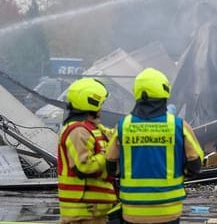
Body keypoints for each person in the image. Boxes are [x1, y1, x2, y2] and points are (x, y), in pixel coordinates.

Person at [106, 68, 203, 224]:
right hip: (168, 210)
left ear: (137, 92)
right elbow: (195, 162)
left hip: (133, 211)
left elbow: (110, 163)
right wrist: (180, 174)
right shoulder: (178, 125)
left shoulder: (123, 126)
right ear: (165, 91)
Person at [57, 78, 120, 224]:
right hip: (83, 212)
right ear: (92, 103)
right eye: (101, 104)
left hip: (95, 211)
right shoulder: (78, 131)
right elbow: (85, 166)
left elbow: (113, 136)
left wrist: (129, 125)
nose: (101, 108)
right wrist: (109, 154)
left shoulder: (93, 128)